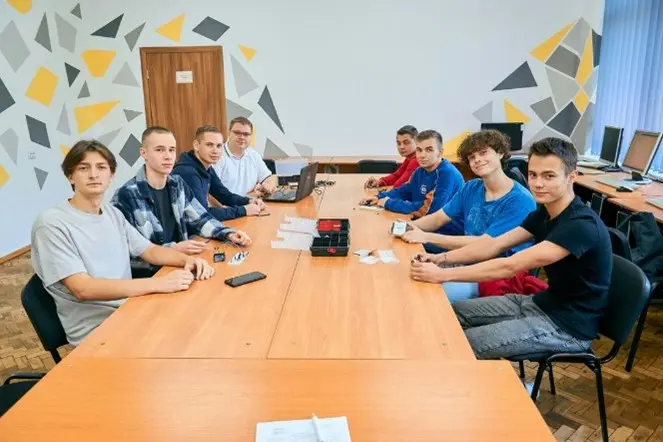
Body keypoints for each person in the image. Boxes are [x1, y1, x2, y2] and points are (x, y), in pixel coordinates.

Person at [410, 137, 612, 359]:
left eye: (549, 176)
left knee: (462, 344)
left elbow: (510, 265)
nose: (538, 183)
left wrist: (441, 275)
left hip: (568, 327)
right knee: (452, 314)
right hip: (542, 303)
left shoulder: (580, 225)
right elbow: (493, 245)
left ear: (572, 177)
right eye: (533, 175)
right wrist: (440, 259)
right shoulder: (545, 213)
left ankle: (493, 379)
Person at [31, 140, 216, 346]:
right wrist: (158, 284)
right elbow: (83, 289)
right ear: (70, 176)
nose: (93, 175)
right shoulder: (51, 224)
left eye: (101, 167)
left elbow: (149, 250)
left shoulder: (112, 213)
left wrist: (187, 261)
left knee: (201, 321)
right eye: (84, 168)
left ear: (111, 176)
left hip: (131, 309)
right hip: (98, 330)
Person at [400, 130, 537, 302]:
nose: (477, 159)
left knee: (423, 295)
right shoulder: (471, 187)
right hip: (465, 260)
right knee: (404, 277)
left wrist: (426, 237)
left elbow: (486, 245)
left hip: (496, 276)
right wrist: (410, 227)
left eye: (483, 153)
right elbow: (438, 218)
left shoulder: (520, 201)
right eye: (472, 157)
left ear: (500, 153)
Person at [112, 126, 252, 276]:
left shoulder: (177, 183)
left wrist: (228, 234)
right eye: (160, 150)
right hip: (154, 275)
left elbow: (200, 218)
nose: (168, 156)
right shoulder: (126, 195)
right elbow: (131, 253)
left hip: (182, 264)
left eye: (171, 150)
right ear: (143, 153)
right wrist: (172, 249)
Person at [360, 130, 464, 226]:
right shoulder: (419, 171)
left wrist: (388, 203)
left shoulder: (446, 173)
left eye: (429, 150)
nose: (422, 155)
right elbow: (403, 191)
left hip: (447, 231)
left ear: (440, 152)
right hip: (422, 224)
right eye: (419, 150)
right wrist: (379, 197)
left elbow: (429, 210)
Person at [171, 125, 266, 221]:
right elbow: (202, 214)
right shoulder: (188, 173)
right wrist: (244, 210)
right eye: (209, 145)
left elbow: (224, 195)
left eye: (219, 146)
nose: (215, 151)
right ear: (196, 145)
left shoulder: (206, 167)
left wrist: (249, 201)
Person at [212, 117, 277, 197]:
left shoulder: (254, 155)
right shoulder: (216, 155)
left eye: (246, 134)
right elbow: (212, 193)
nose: (242, 137)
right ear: (229, 133)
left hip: (249, 202)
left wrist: (267, 185)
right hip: (225, 204)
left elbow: (270, 177)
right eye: (237, 133)